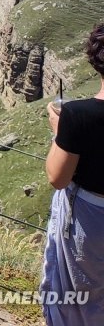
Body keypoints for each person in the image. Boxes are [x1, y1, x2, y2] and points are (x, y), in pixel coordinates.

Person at [39, 20, 104, 326]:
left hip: (89, 221)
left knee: (76, 297)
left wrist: (59, 133)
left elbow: (58, 177)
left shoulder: (78, 115)